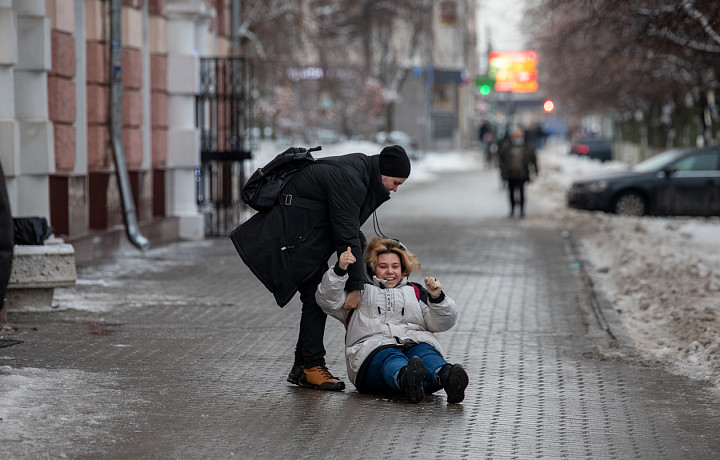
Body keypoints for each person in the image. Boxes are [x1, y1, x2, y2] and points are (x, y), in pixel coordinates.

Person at [231, 145, 412, 391]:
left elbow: (348, 228)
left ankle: (303, 367)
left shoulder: (360, 170)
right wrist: (356, 287)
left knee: (315, 296)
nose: (394, 189)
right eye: (395, 182)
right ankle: (311, 367)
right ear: (384, 173)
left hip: (302, 236)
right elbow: (346, 233)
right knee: (316, 297)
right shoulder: (351, 179)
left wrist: (364, 271)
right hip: (289, 238)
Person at [315, 238, 469, 404]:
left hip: (413, 343)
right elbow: (327, 301)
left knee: (425, 352)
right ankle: (406, 379)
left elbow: (443, 323)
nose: (390, 271)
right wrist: (339, 270)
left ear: (403, 268)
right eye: (383, 266)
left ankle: (446, 376)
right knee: (391, 357)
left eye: (395, 266)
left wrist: (437, 298)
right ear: (372, 267)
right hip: (372, 355)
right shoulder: (359, 291)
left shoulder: (415, 291)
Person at [498, 127, 539, 218]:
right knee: (511, 192)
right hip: (510, 174)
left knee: (521, 192)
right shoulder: (507, 146)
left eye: (519, 135)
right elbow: (501, 158)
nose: (517, 137)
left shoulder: (527, 146)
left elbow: (533, 159)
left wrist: (536, 170)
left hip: (522, 173)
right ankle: (512, 209)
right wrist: (502, 170)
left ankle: (521, 210)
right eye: (515, 135)